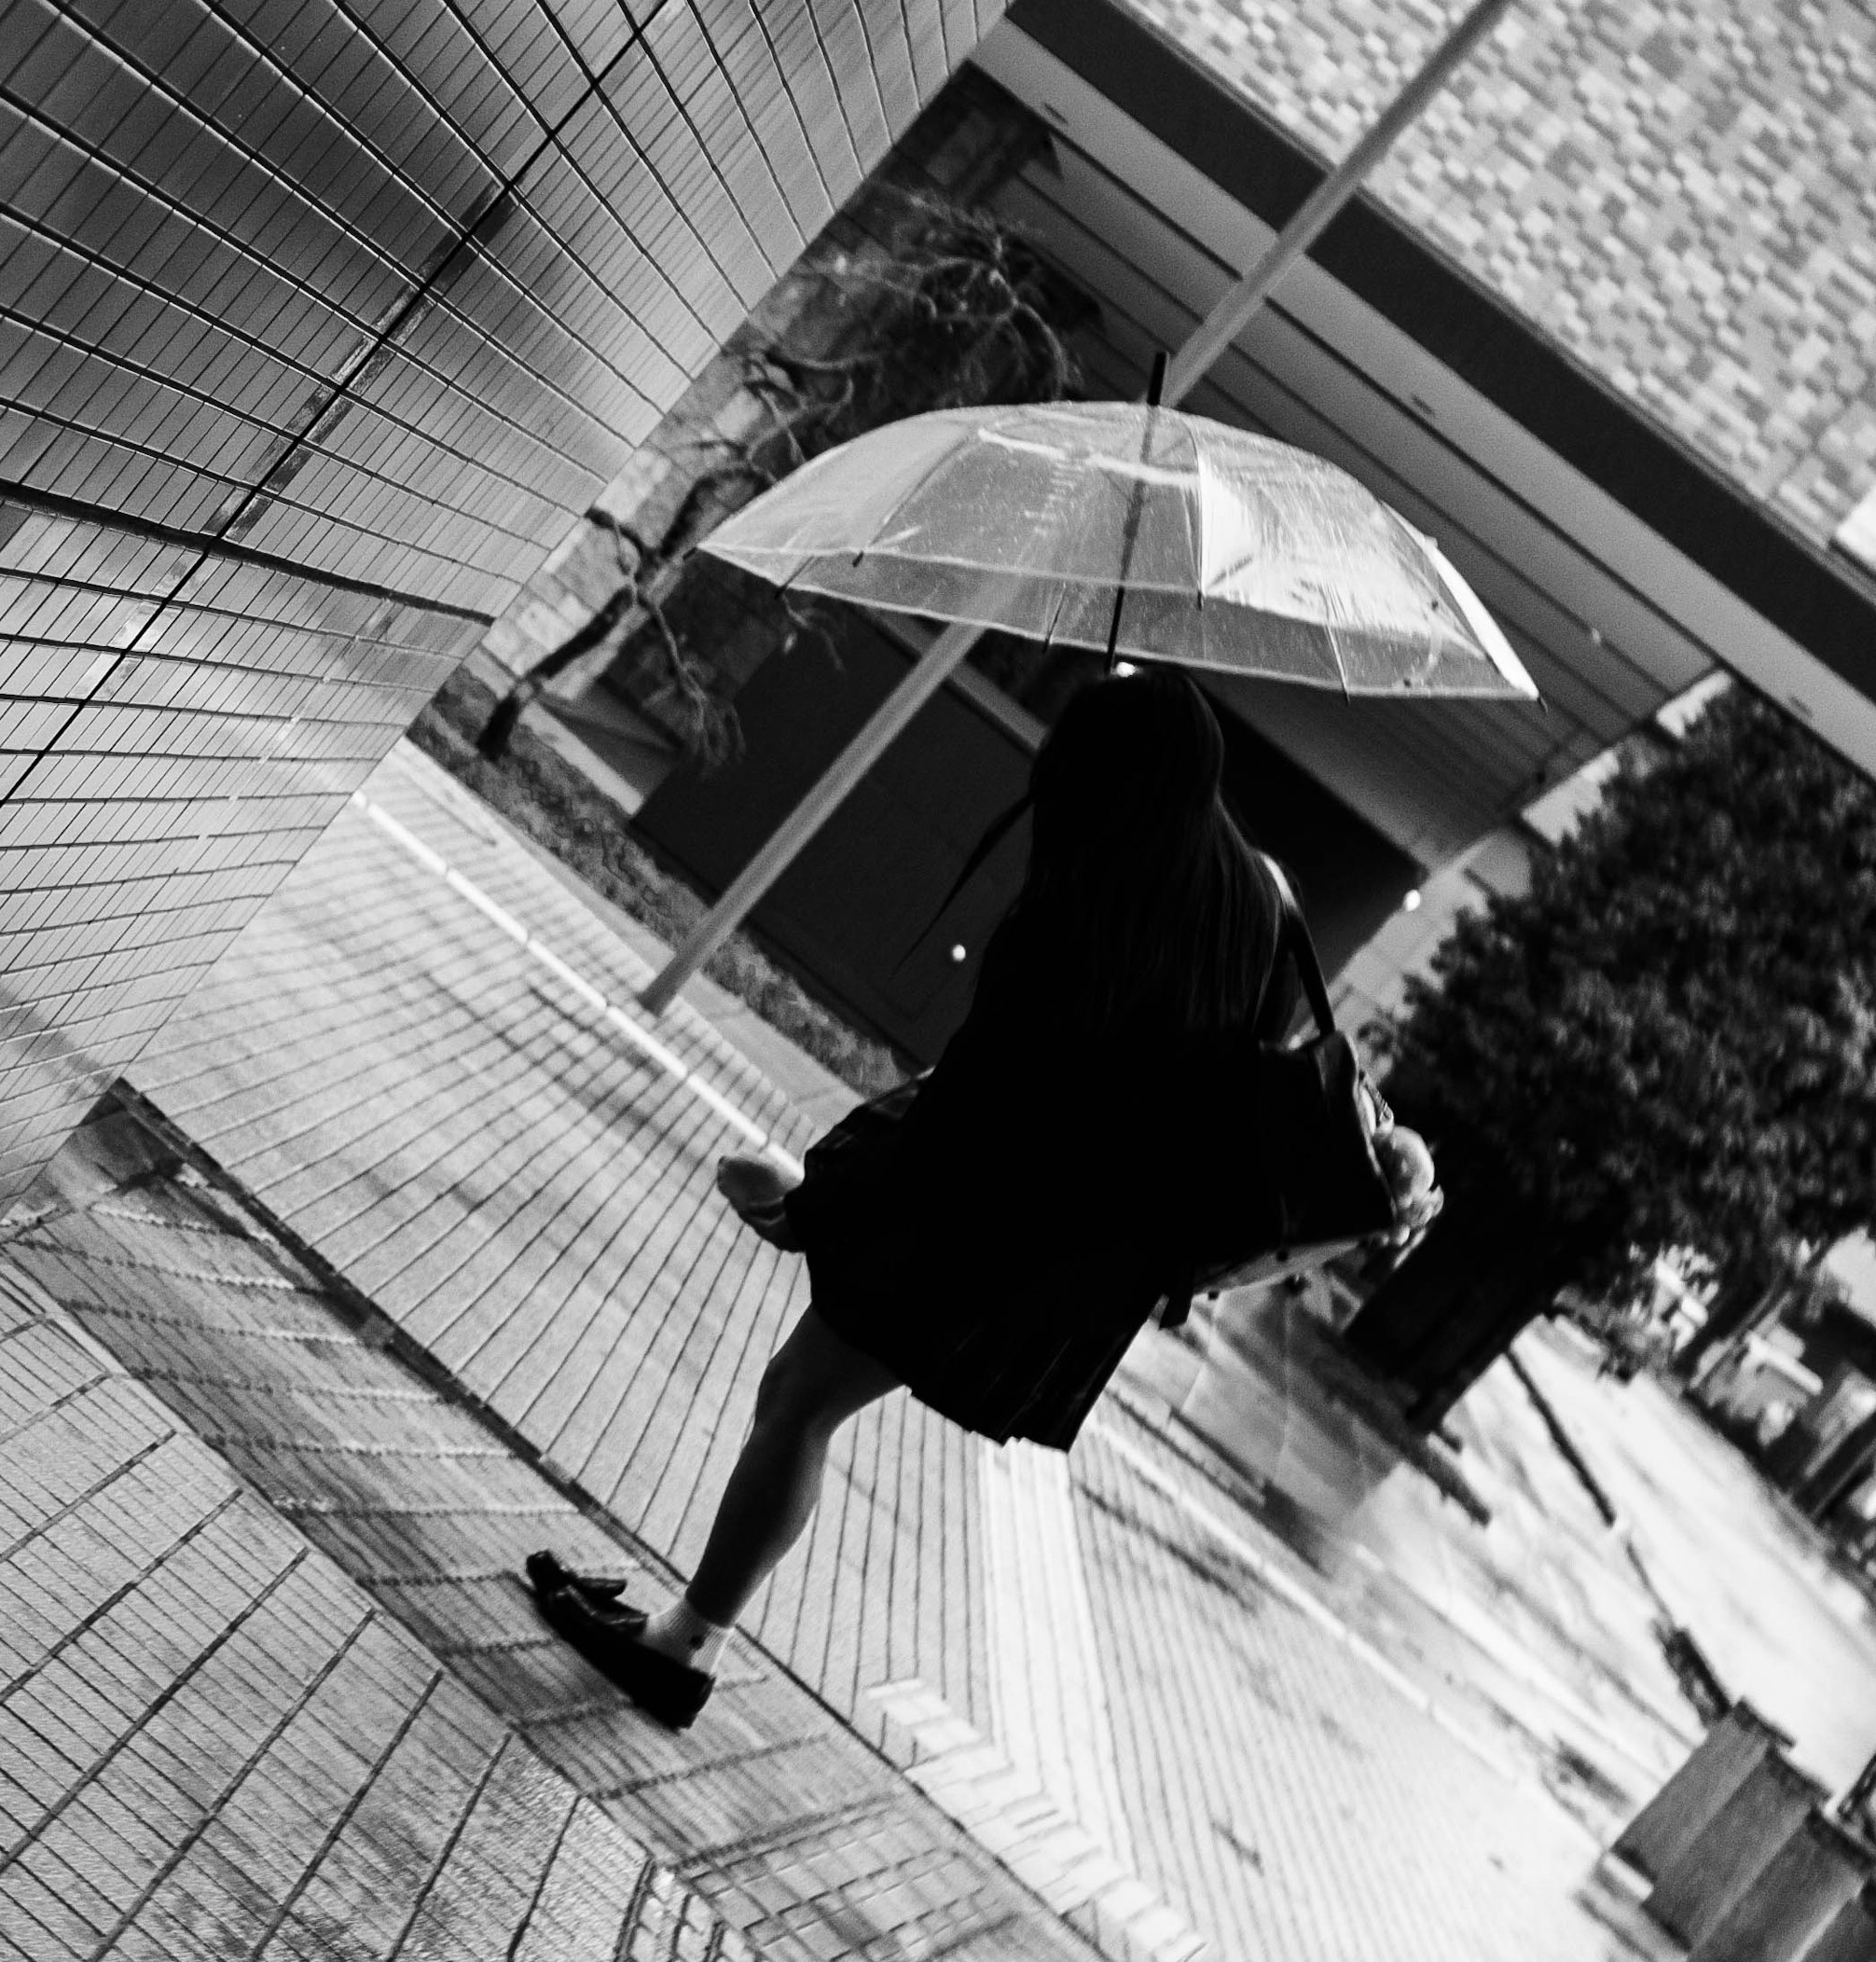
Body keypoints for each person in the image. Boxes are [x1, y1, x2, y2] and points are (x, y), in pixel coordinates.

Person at [525, 662, 1433, 1724]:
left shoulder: (1084, 908)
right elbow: (1253, 1077)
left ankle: (683, 1647)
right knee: (805, 1398)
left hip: (989, 1218)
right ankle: (684, 1630)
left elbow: (971, 1118)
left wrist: (811, 1202)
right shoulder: (1264, 899)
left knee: (800, 1400)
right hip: (1088, 1261)